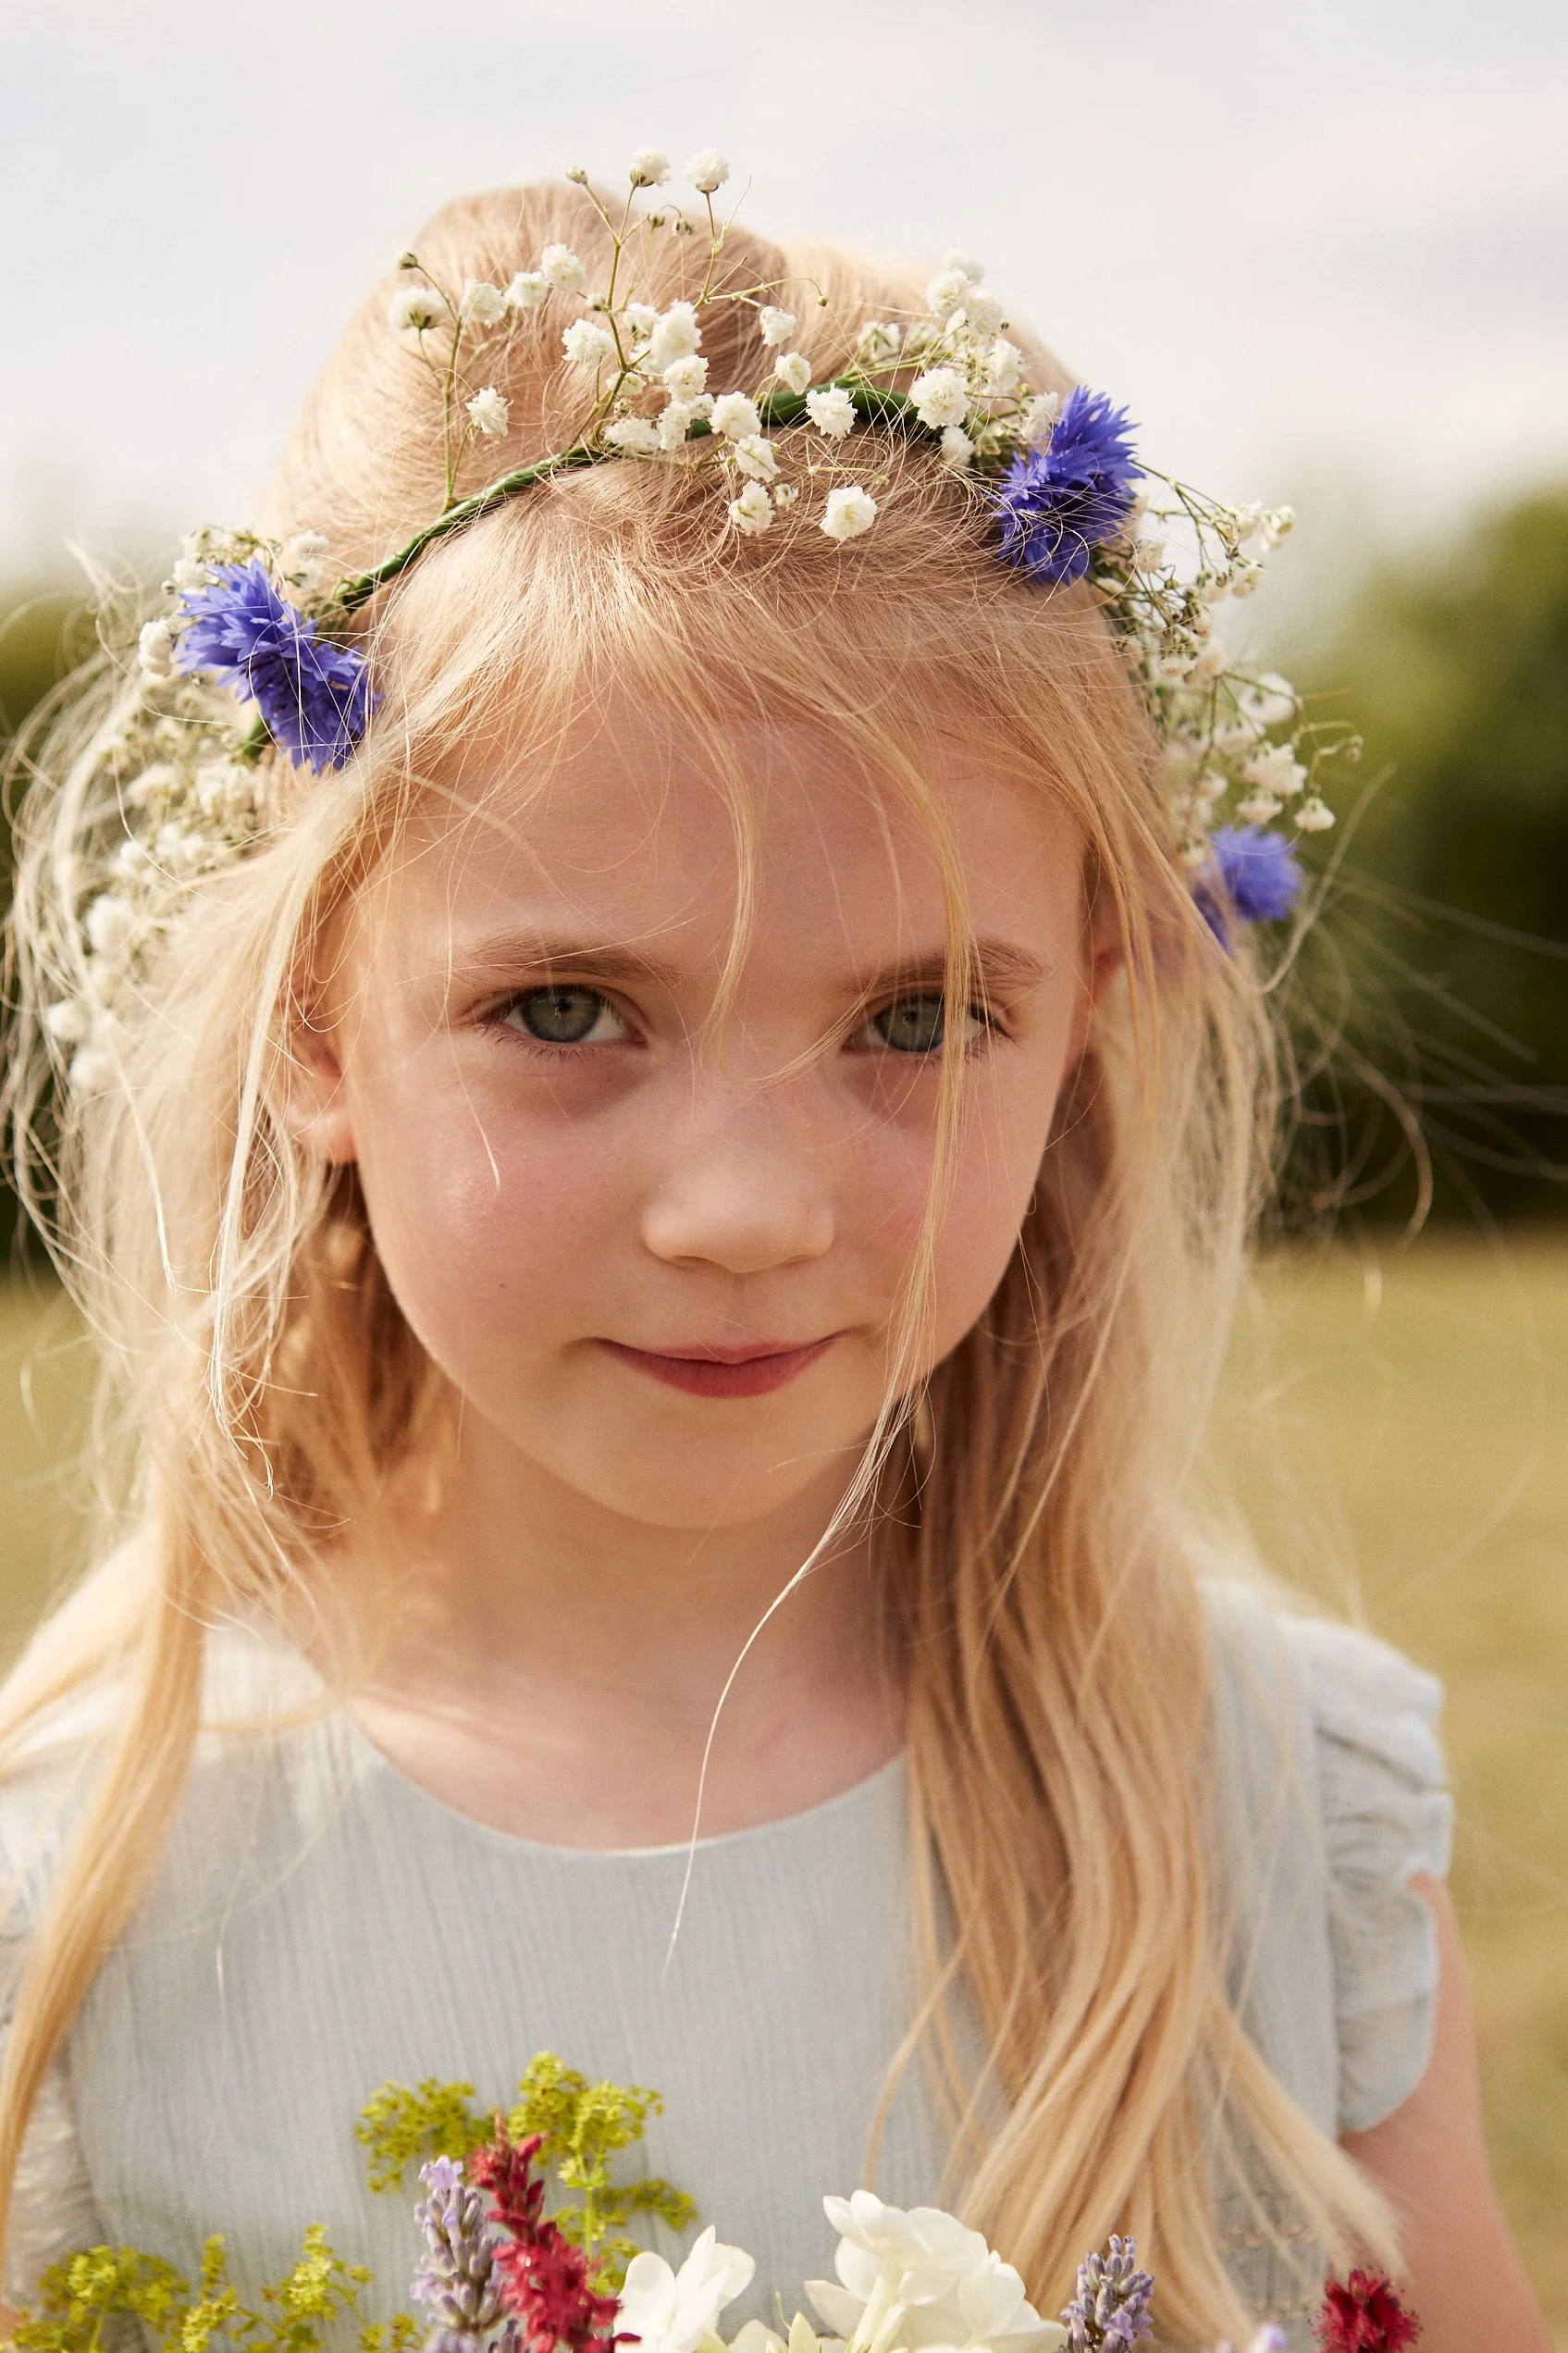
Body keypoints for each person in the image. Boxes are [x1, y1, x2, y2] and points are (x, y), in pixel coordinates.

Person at [0, 156, 1549, 2353]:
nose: (741, 1209)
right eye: (564, 1010)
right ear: (319, 1018)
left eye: (915, 1019)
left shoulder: (1267, 1820)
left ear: (1087, 1008)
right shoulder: (77, 1909)